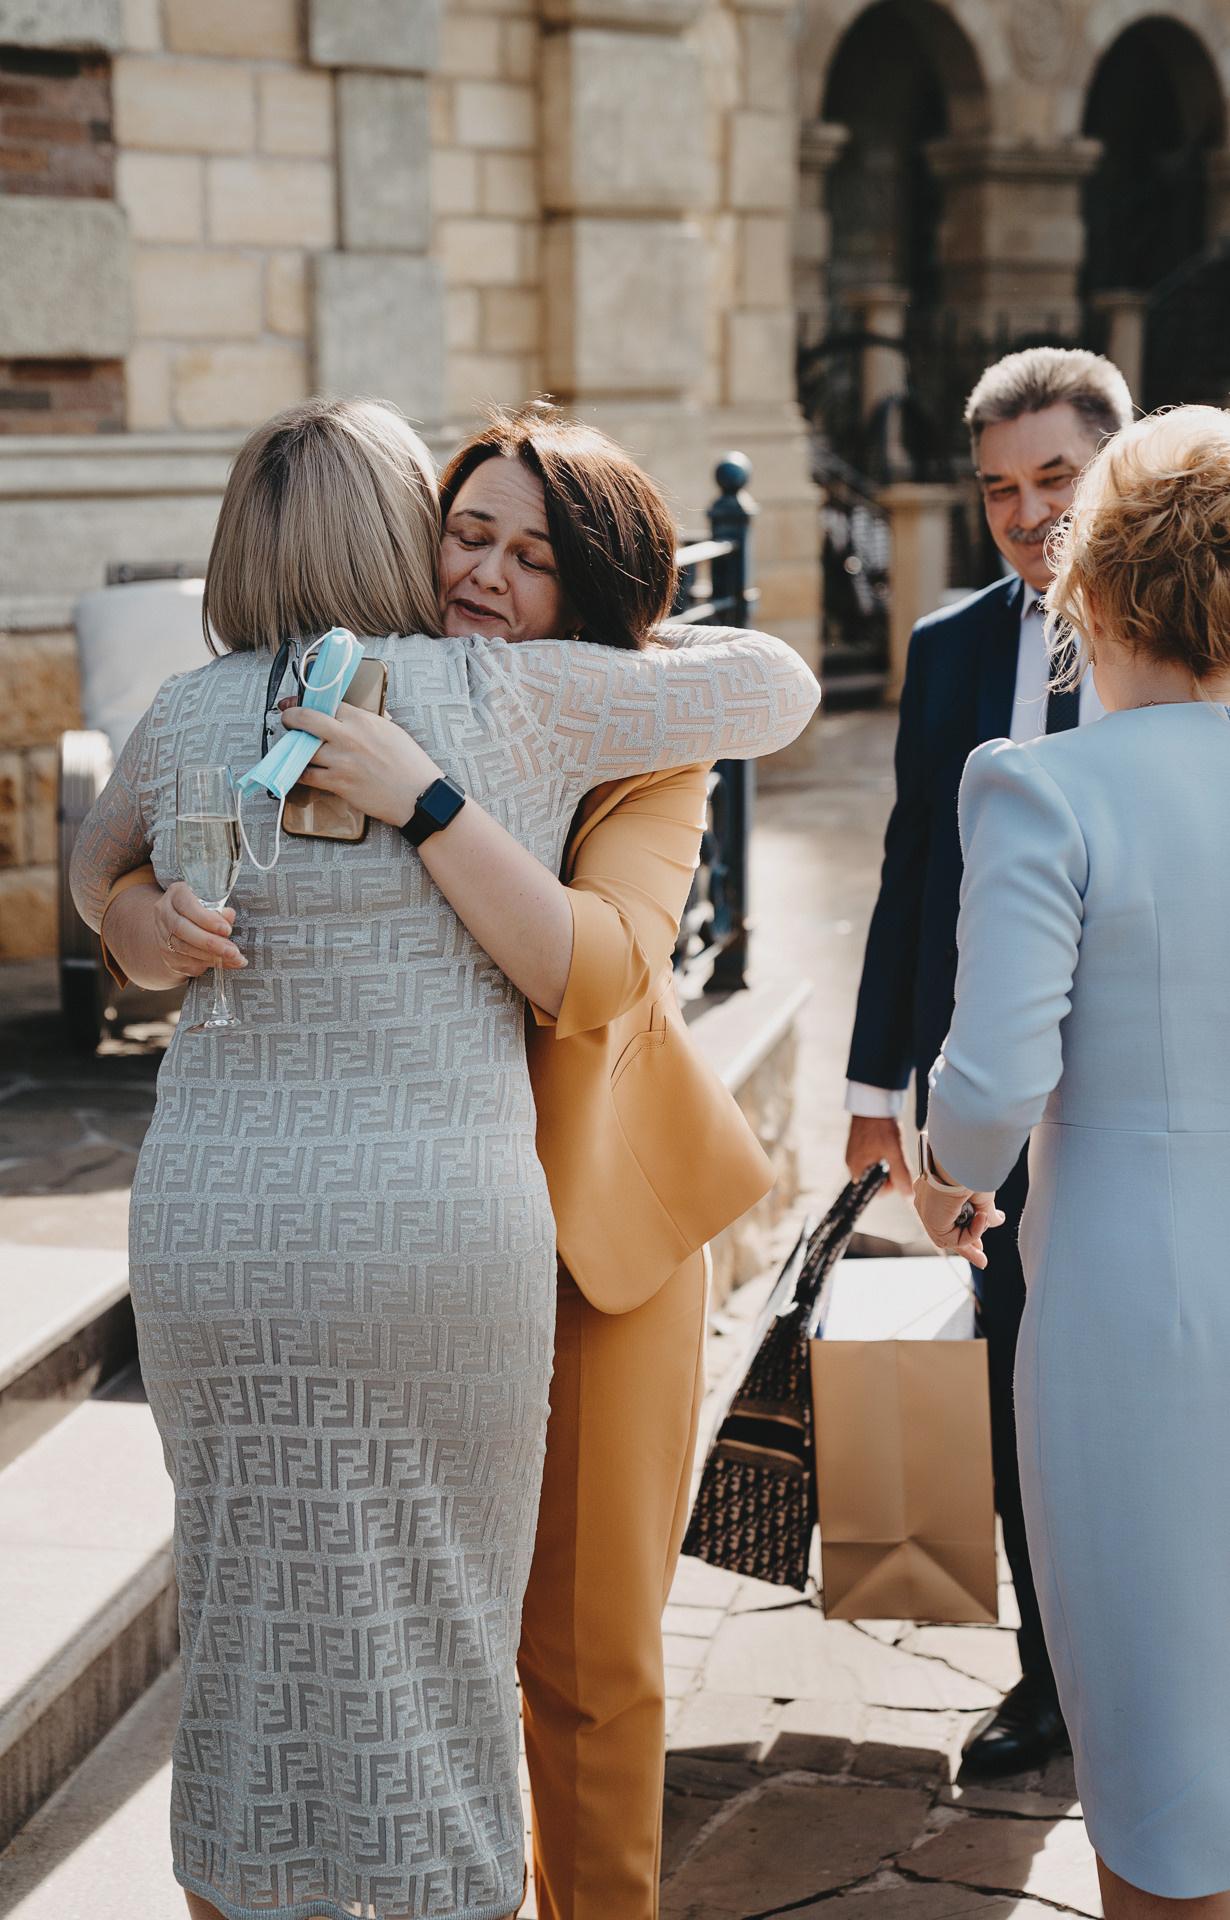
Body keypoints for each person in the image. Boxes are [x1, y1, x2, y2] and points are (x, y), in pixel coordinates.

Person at [82, 398, 818, 1920]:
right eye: (464, 534)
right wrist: (140, 921)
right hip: (417, 1220)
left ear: (591, 596)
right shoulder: (370, 696)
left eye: (532, 558)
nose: (484, 572)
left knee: (574, 1651)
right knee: (396, 1614)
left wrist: (429, 792)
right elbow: (118, 876)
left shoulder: (602, 721)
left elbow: (593, 975)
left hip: (585, 1218)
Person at [914, 404, 1230, 1916]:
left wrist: (946, 1170)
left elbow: (990, 1087)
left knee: (1158, 1738)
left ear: (1091, 595)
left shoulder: (1048, 785)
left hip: (1130, 1310)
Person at [843, 347, 1133, 1779]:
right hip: (989, 1091)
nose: (1027, 516)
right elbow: (914, 870)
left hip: (1149, 1080)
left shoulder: (1198, 638)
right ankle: (1048, 1677)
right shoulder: (951, 646)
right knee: (1016, 1378)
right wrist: (871, 1095)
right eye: (999, 489)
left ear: (1116, 471)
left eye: (1056, 479)